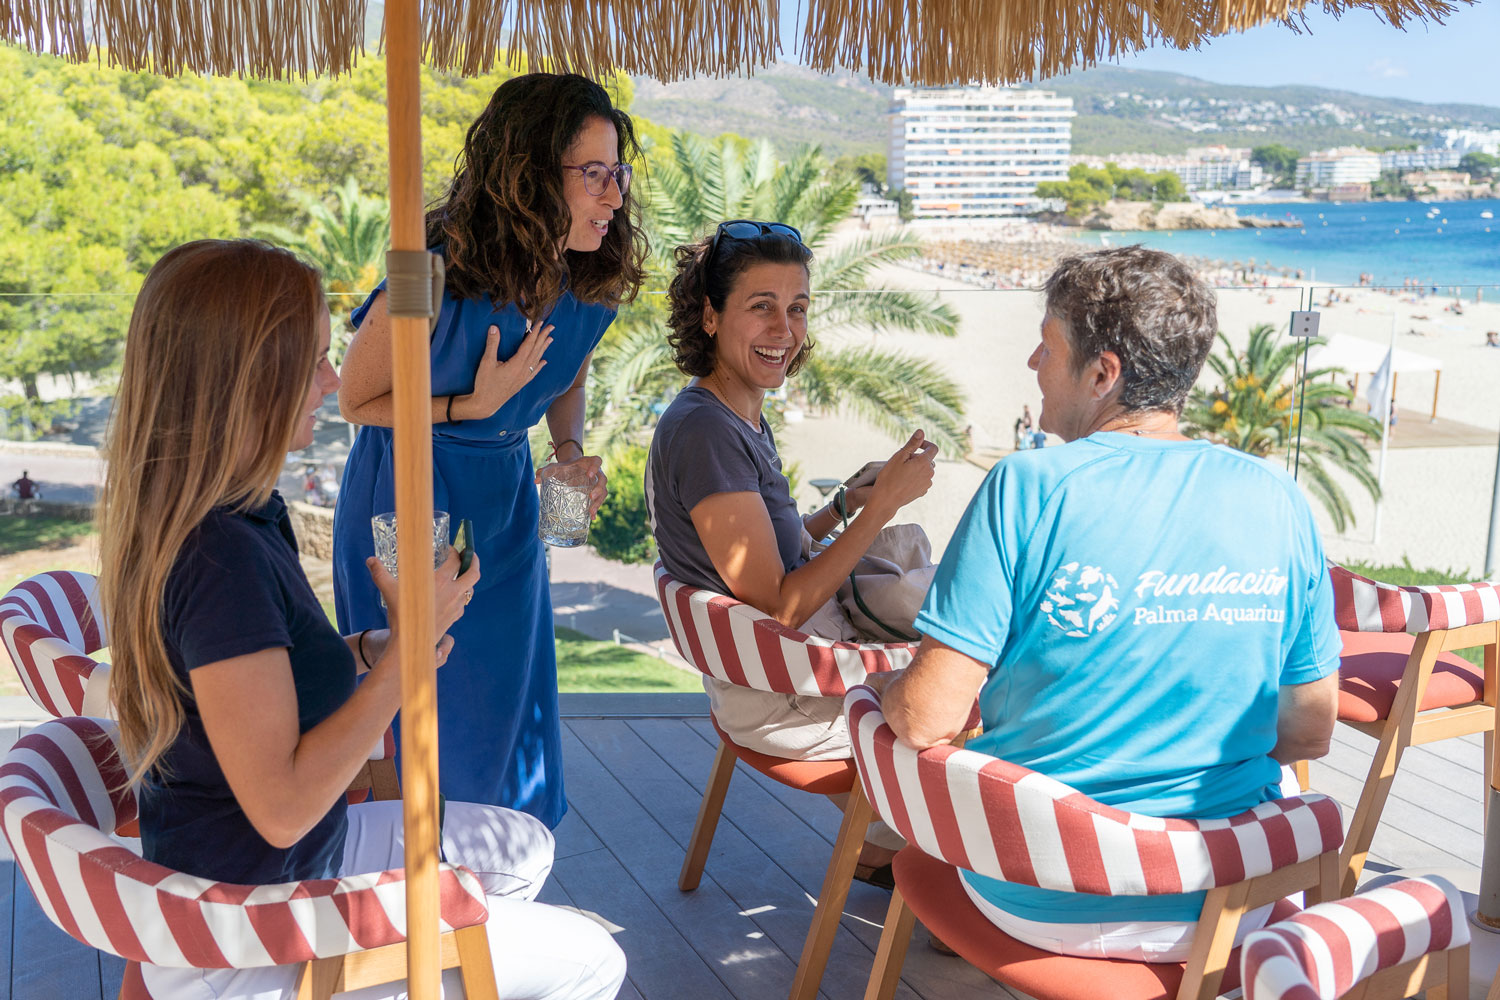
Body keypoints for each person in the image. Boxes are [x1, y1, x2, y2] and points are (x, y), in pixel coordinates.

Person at [98, 239, 625, 1000]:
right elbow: (281, 809)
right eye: (314, 360)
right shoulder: (219, 561)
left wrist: (372, 646)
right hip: (250, 929)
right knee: (592, 959)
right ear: (248, 378)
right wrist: (407, 659)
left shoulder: (235, 513)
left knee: (527, 844)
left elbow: (263, 679)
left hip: (258, 876)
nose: (334, 382)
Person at [877, 246, 1340, 964]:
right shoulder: (1277, 499)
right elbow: (1308, 732)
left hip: (1045, 896)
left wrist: (884, 689)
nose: (1034, 361)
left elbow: (926, 717)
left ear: (1103, 373)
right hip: (1237, 898)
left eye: (1049, 344)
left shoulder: (1027, 488)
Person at [334, 73, 648, 826]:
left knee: (509, 684)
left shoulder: (592, 274)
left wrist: (568, 449)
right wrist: (464, 406)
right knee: (417, 677)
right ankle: (404, 863)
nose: (614, 197)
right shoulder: (426, 266)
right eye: (594, 176)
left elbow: (566, 373)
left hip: (507, 494)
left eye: (619, 175)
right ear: (532, 176)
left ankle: (496, 863)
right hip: (407, 488)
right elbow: (356, 399)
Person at [645, 222, 938, 877]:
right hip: (792, 698)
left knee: (925, 584)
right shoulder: (705, 434)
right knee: (979, 684)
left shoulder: (734, 412)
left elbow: (766, 557)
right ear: (711, 315)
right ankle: (938, 866)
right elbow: (779, 602)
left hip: (775, 675)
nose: (785, 328)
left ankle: (886, 845)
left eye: (797, 307)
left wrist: (843, 508)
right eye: (762, 307)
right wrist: (886, 502)